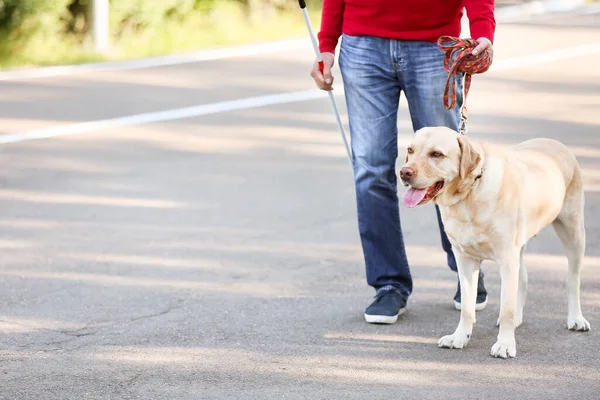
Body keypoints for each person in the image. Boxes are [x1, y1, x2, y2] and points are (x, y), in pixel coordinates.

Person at [310, 0, 496, 324]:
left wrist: (483, 29)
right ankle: (388, 284)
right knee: (370, 169)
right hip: (363, 46)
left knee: (450, 168)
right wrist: (327, 43)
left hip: (433, 47)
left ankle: (466, 266)